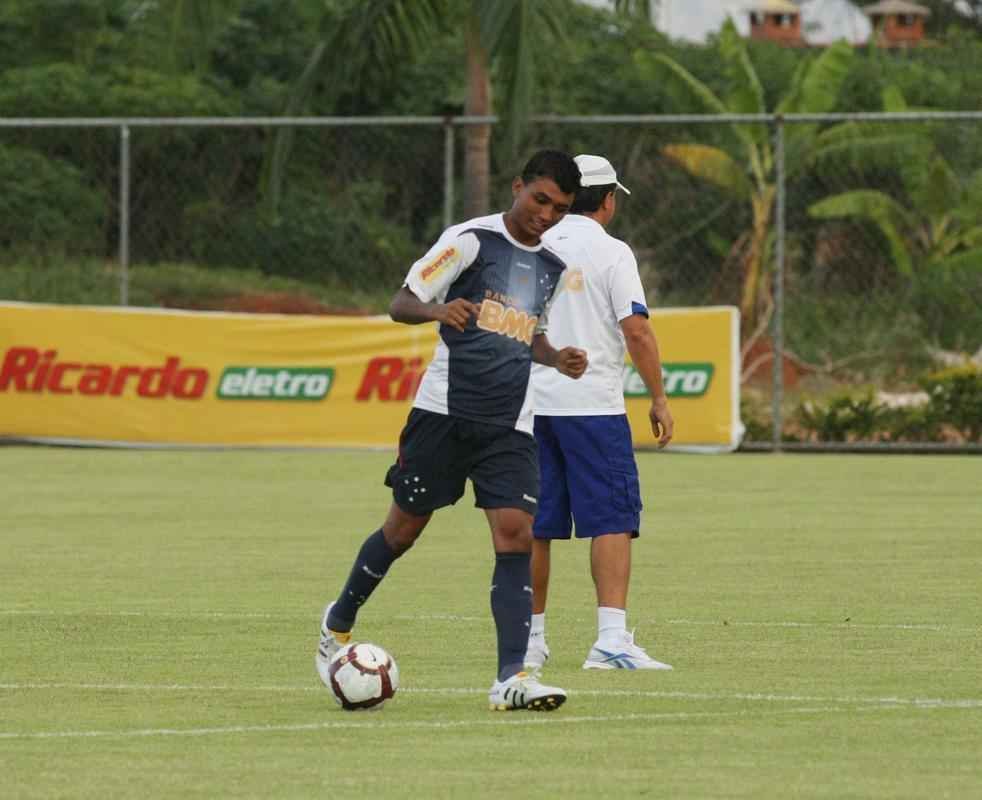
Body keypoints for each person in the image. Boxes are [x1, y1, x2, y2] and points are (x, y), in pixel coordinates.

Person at [316, 150, 588, 711]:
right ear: (517, 187)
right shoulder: (469, 241)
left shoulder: (554, 270)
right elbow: (402, 302)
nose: (546, 215)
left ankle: (511, 677)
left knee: (516, 533)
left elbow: (525, 334)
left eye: (559, 208)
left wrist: (556, 356)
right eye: (540, 200)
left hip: (510, 422)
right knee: (403, 530)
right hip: (442, 414)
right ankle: (337, 624)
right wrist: (440, 312)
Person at [524, 154, 675, 673]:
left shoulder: (531, 242)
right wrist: (658, 397)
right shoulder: (612, 252)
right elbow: (636, 330)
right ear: (608, 200)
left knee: (535, 525)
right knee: (611, 518)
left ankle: (530, 641)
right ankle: (610, 641)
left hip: (530, 406)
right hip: (591, 407)